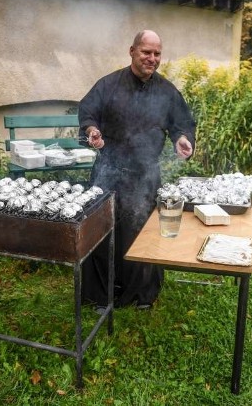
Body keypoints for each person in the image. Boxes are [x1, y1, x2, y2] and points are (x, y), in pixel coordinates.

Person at [78, 30, 195, 310]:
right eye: (146, 52)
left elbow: (182, 122)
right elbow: (87, 112)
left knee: (141, 233)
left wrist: (182, 138)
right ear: (132, 51)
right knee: (101, 231)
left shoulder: (167, 91)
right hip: (108, 170)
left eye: (156, 54)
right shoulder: (108, 84)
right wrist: (92, 130)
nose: (151, 58)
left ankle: (140, 292)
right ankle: (101, 293)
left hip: (145, 175)